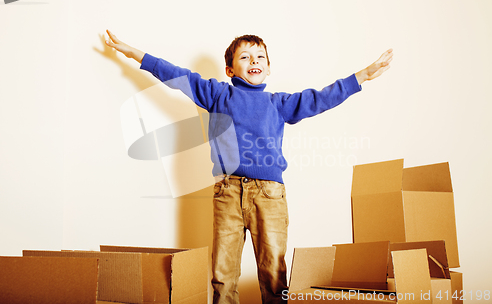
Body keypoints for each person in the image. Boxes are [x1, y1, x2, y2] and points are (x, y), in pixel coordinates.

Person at [105, 30, 393, 304]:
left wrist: (362, 76)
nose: (253, 61)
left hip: (269, 196)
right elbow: (178, 76)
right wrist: (136, 54)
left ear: (268, 68)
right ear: (229, 69)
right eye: (244, 57)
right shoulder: (217, 94)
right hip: (227, 193)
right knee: (222, 274)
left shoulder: (278, 103)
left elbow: (320, 98)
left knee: (273, 275)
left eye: (260, 58)